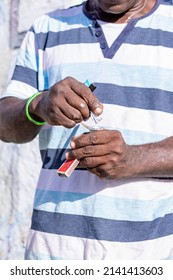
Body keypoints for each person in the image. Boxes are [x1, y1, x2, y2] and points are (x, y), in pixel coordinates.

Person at [0, 0, 173, 260]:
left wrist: (132, 159)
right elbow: (5, 124)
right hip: (49, 255)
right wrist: (37, 105)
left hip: (148, 256)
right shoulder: (48, 28)